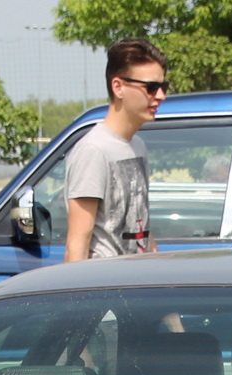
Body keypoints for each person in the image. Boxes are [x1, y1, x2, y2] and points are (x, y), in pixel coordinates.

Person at [64, 37, 169, 262]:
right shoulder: (93, 150)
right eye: (151, 87)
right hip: (105, 287)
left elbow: (143, 227)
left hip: (135, 285)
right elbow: (77, 246)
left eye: (163, 87)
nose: (160, 95)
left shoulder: (137, 145)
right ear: (118, 87)